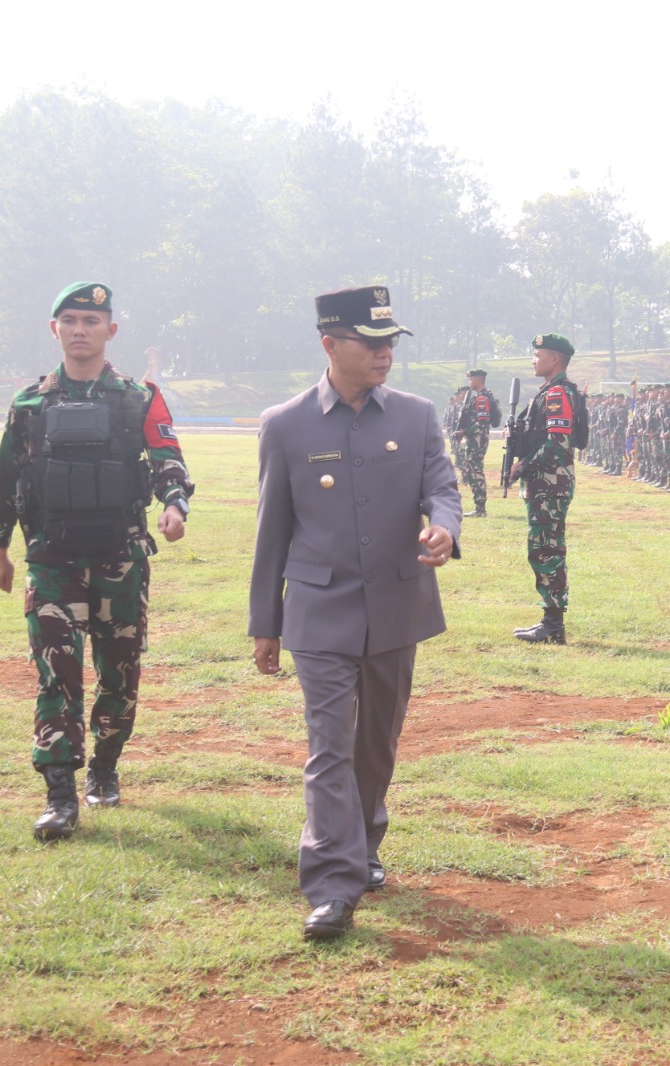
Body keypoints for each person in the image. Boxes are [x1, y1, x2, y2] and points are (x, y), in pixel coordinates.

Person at [248, 284, 460, 940]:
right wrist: (266, 624)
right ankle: (333, 882)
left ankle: (363, 842)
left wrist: (444, 528)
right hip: (319, 608)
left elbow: (442, 488)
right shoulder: (285, 424)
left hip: (397, 605)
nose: (384, 355)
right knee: (329, 746)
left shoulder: (416, 416)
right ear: (329, 344)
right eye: (370, 344)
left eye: (390, 343)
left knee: (376, 743)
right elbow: (271, 530)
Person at [0, 282, 194, 842]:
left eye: (92, 320)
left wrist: (175, 503)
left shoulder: (139, 398)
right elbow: (6, 479)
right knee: (57, 672)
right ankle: (59, 795)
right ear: (54, 329)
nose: (81, 329)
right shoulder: (30, 404)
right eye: (71, 320)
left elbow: (166, 458)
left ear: (111, 330)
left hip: (119, 559)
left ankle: (104, 767)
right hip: (51, 560)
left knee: (119, 675)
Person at [510, 333, 584, 644]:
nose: (533, 359)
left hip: (549, 484)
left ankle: (553, 628)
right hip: (546, 484)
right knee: (542, 548)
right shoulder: (550, 392)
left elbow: (558, 442)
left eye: (538, 354)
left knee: (548, 551)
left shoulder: (557, 395)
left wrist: (524, 466)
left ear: (554, 359)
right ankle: (549, 621)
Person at [458, 369, 500, 517]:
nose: (469, 382)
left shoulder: (482, 398)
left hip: (477, 441)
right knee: (473, 471)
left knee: (476, 472)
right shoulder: (480, 397)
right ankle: (479, 507)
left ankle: (480, 508)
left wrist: (464, 432)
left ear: (478, 379)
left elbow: (482, 423)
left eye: (471, 379)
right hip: (476, 440)